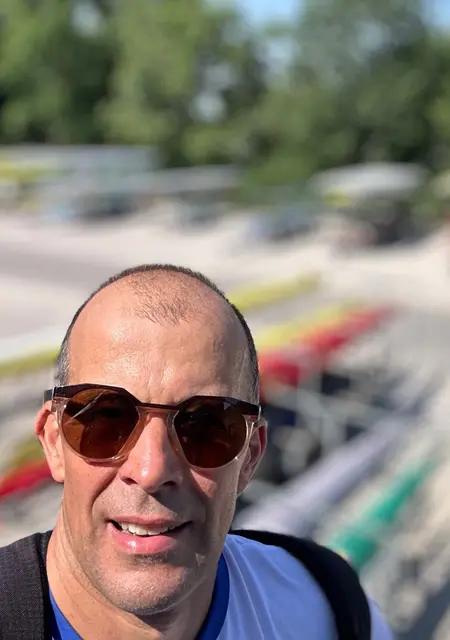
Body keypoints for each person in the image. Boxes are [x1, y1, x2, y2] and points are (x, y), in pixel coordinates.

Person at [0, 264, 392, 639]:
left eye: (205, 426)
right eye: (107, 420)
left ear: (250, 457)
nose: (151, 470)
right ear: (53, 441)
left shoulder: (329, 611)